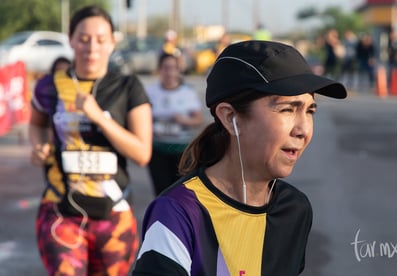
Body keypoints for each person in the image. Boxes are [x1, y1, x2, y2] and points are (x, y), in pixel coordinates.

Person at [132, 40, 347, 275]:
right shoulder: (179, 212)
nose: (303, 130)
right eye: (287, 109)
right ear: (229, 117)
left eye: (310, 111)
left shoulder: (295, 209)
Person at [29, 5, 152, 276]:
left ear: (112, 42)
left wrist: (100, 118)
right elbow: (36, 124)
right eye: (83, 39)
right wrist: (38, 145)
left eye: (100, 39)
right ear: (71, 40)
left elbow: (142, 153)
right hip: (60, 210)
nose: (92, 48)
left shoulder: (128, 87)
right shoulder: (49, 86)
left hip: (114, 213)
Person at [147, 53, 204, 195]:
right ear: (159, 70)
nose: (169, 72)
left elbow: (198, 120)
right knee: (161, 192)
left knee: (181, 193)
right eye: (165, 68)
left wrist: (183, 120)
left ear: (179, 70)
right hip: (158, 151)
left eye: (173, 68)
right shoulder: (150, 92)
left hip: (182, 151)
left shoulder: (187, 93)